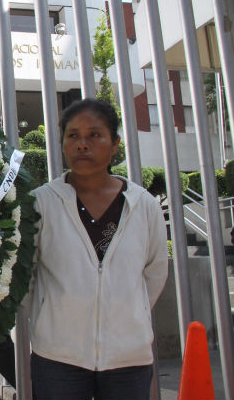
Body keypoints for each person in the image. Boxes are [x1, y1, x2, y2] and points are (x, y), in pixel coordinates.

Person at [29, 99, 168, 400]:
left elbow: (155, 271)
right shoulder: (41, 203)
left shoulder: (143, 205)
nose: (82, 144)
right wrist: (47, 317)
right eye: (73, 135)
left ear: (115, 143)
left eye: (94, 135)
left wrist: (129, 313)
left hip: (128, 357)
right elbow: (26, 274)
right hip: (58, 358)